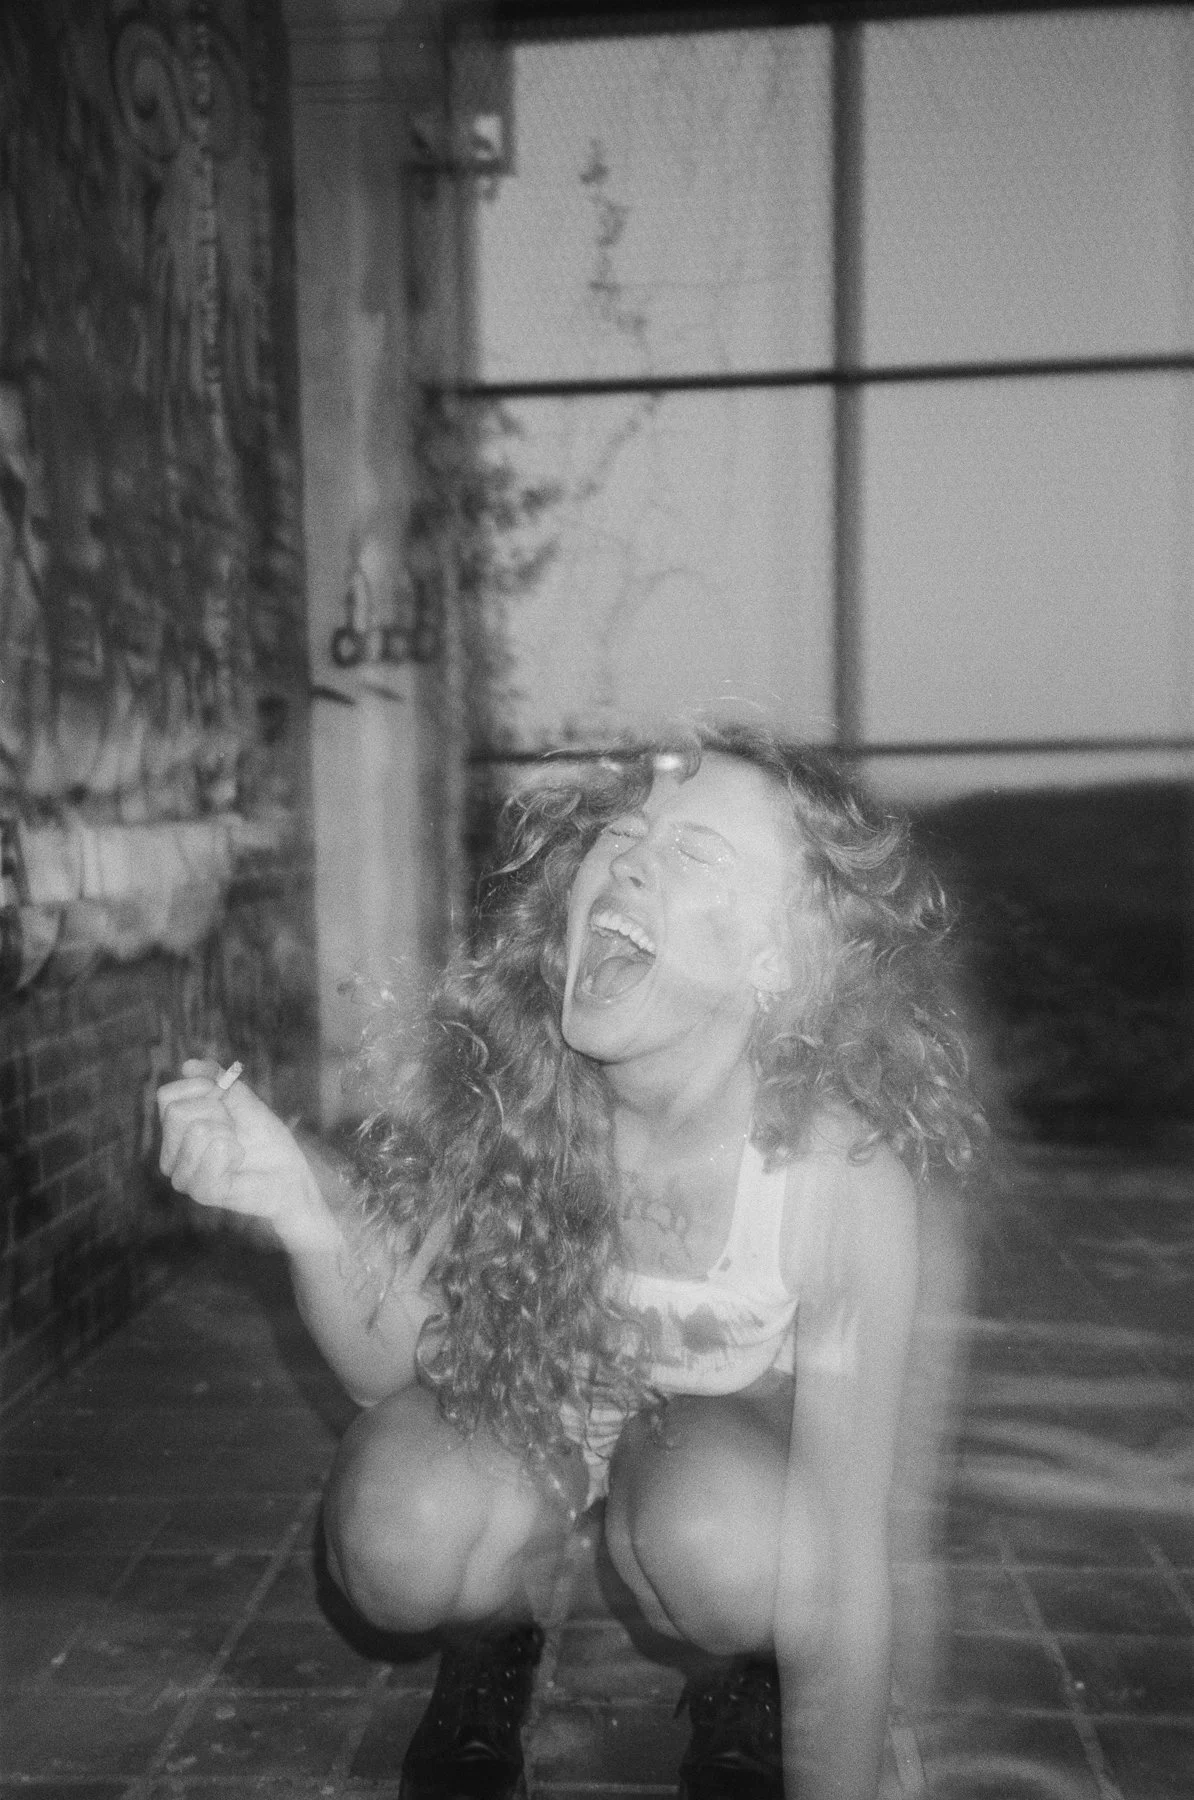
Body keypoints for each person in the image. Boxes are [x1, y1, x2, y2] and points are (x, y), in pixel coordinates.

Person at [158, 724, 982, 1800]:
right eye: (625, 832)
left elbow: (851, 1562)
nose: (629, 856)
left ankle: (745, 1678)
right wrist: (299, 1205)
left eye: (698, 854)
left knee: (748, 1554)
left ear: (780, 959)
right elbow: (391, 1370)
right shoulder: (514, 1083)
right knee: (399, 1535)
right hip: (543, 1402)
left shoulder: (835, 1173)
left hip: (719, 1432)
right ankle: (493, 1639)